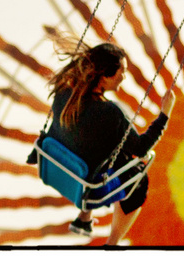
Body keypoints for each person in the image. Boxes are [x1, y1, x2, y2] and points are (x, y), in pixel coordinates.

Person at [42, 32, 175, 245]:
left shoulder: (64, 92)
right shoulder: (109, 113)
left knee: (108, 151)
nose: (124, 76)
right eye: (121, 71)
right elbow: (141, 148)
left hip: (58, 165)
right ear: (104, 75)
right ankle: (111, 244)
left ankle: (84, 218)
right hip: (89, 185)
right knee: (138, 177)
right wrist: (164, 115)